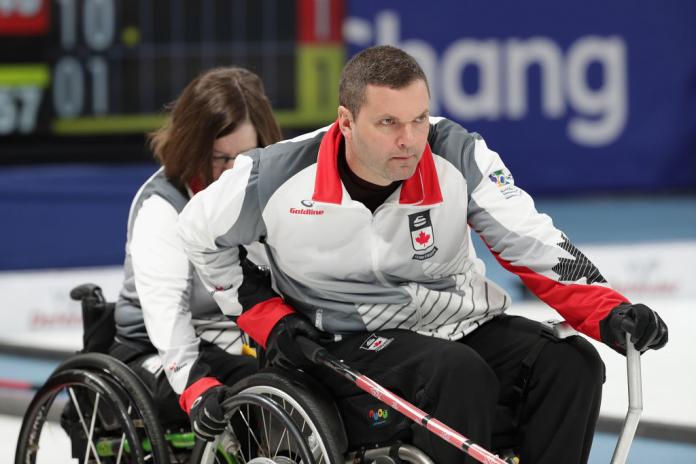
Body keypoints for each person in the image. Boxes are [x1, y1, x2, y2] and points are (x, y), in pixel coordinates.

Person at [176, 46, 668, 463]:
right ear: (346, 122)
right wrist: (268, 317)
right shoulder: (273, 176)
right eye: (388, 122)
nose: (409, 139)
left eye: (417, 119)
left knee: (572, 363)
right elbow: (197, 233)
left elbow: (530, 238)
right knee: (457, 373)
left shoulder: (457, 155)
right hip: (343, 338)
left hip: (456, 323)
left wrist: (611, 310)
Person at [111, 67, 282, 441]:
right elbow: (166, 316)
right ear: (192, 148)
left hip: (235, 341)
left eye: (246, 157)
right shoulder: (162, 206)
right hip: (153, 349)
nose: (232, 175)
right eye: (220, 159)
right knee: (255, 387)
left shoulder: (269, 189)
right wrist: (193, 382)